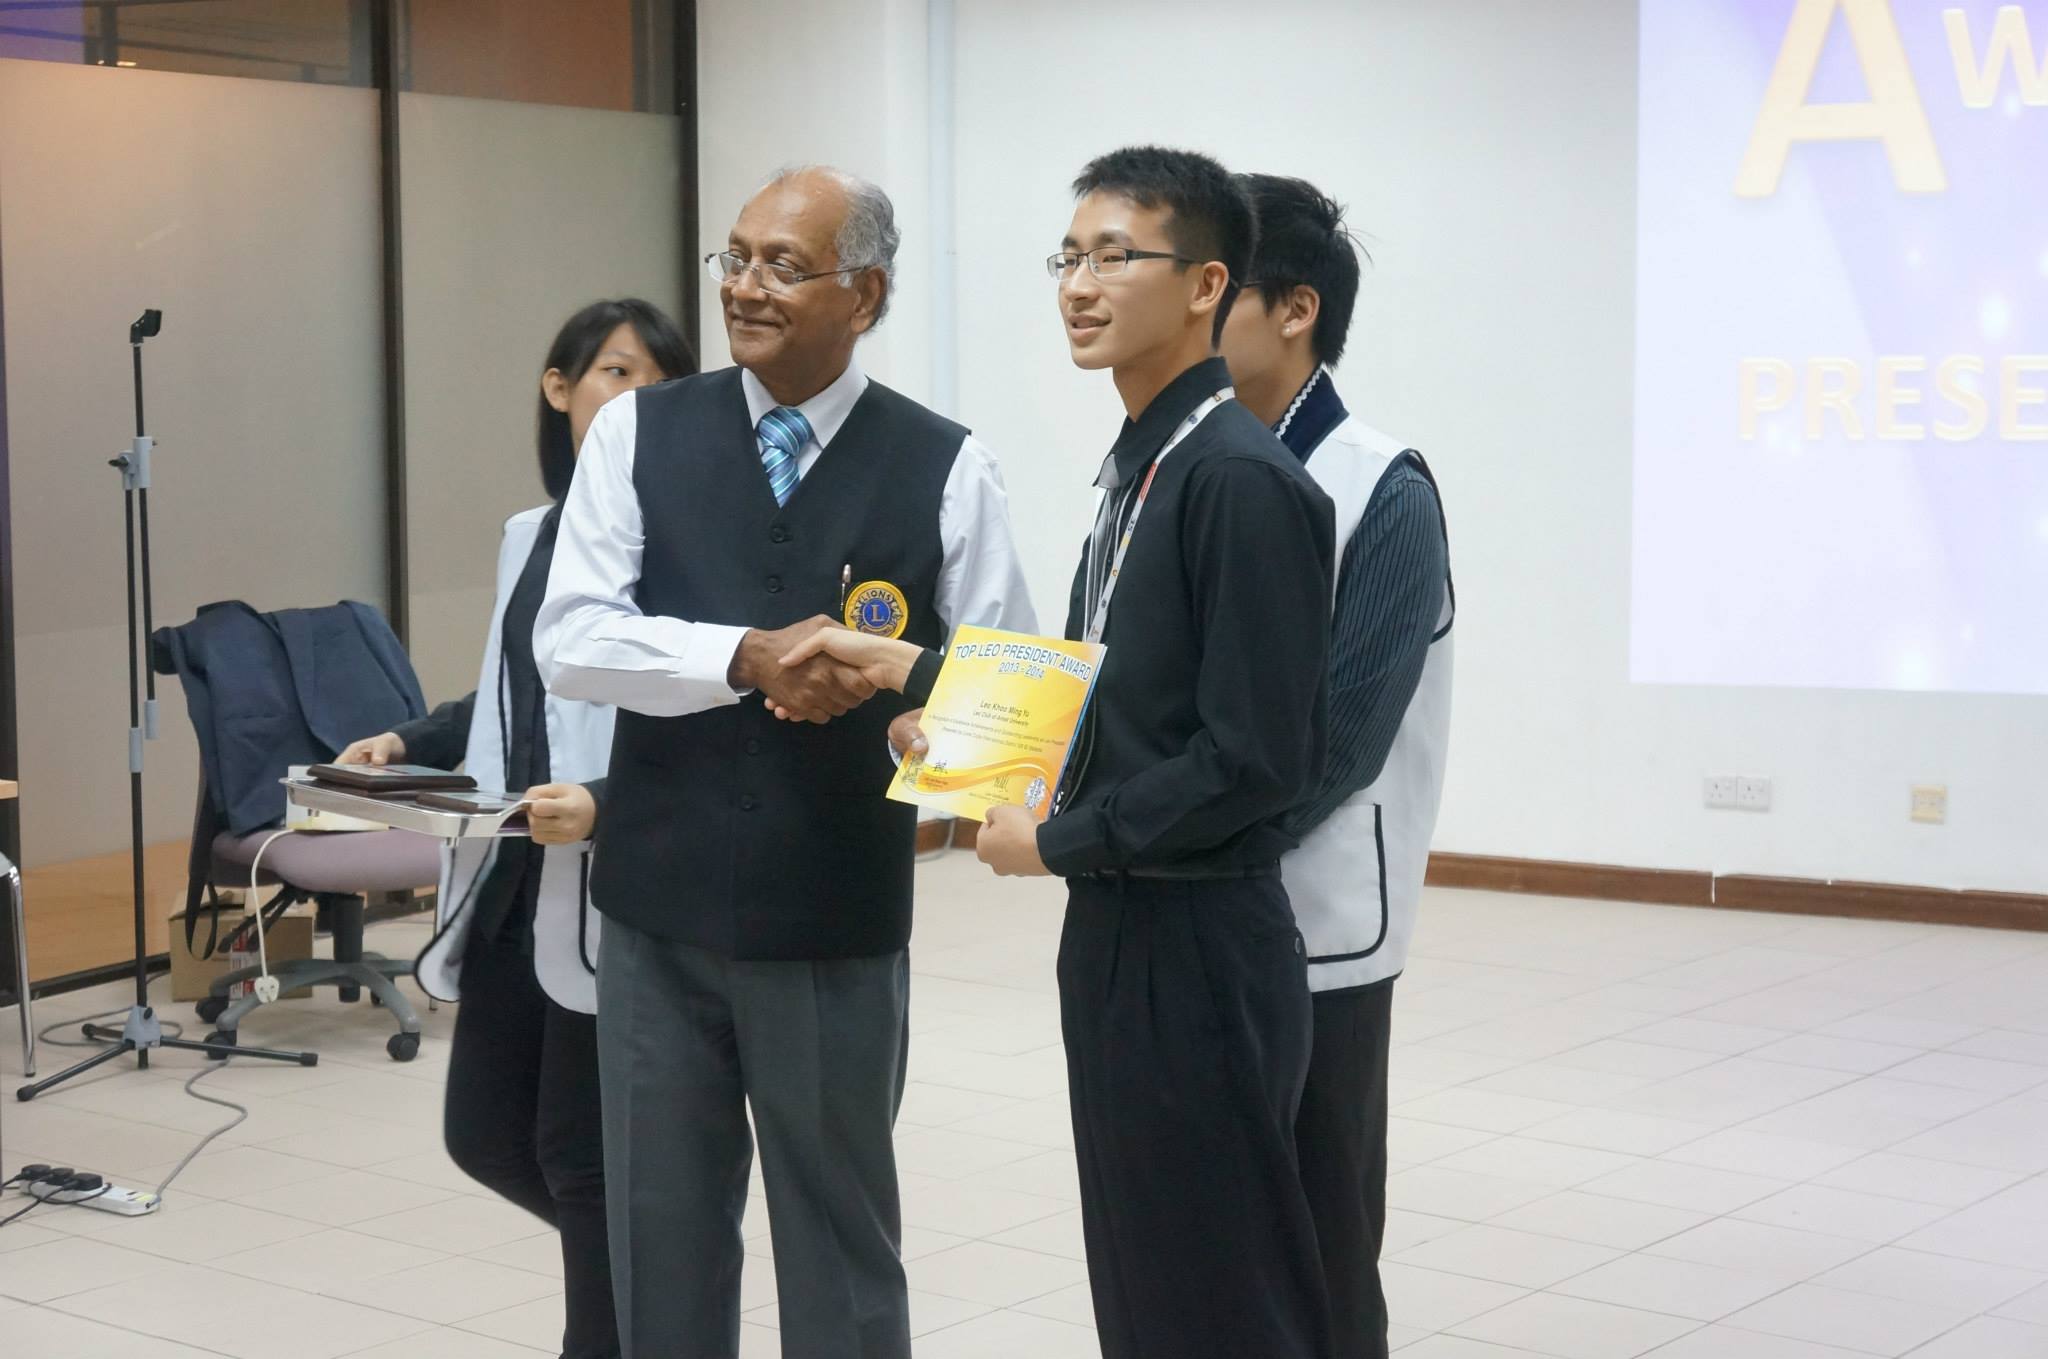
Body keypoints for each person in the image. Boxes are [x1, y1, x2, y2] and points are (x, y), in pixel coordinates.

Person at [533, 166, 1035, 1359]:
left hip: (830, 923)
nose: (745, 288)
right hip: (655, 917)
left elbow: (1002, 700)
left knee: (839, 1248)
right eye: (736, 257)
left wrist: (932, 735)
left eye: (784, 266)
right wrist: (743, 657)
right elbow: (572, 637)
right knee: (659, 1243)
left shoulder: (946, 464)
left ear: (865, 295)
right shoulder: (638, 433)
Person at [335, 298, 694, 1359]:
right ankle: (659, 1274)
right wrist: (409, 738)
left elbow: (699, 711)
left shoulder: (680, 545)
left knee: (579, 1157)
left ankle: (627, 1319)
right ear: (559, 388)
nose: (640, 398)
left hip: (615, 878)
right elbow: (509, 689)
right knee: (485, 1135)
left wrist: (608, 802)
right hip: (510, 874)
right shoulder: (529, 536)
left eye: (662, 380)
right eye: (618, 373)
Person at [1220, 173, 1454, 1359]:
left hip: (1313, 926)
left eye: (1213, 285)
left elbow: (1340, 740)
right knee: (1209, 1236)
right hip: (1180, 908)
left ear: (1294, 308)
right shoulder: (1169, 463)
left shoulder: (1381, 487)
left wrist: (1166, 834)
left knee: (1318, 1237)